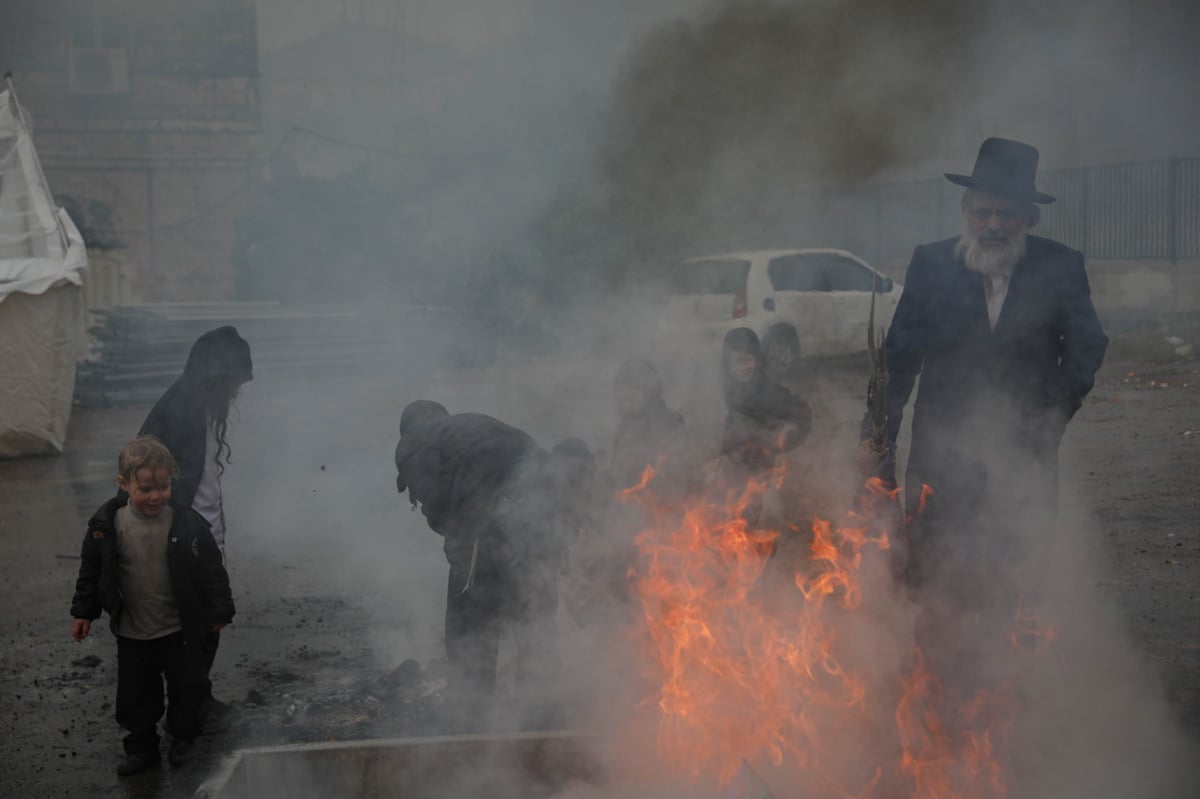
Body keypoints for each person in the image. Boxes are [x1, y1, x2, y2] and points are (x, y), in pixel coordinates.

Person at [858, 138, 1108, 650]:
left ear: (1029, 218)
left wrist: (1048, 417)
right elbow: (899, 356)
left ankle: (1004, 685)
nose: (993, 226)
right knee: (931, 577)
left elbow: (1087, 346)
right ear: (966, 210)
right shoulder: (932, 264)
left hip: (1023, 456)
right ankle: (932, 684)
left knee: (1014, 573)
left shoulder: (1060, 266)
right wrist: (878, 440)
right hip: (939, 454)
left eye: (1007, 215)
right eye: (983, 213)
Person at [394, 401, 588, 728]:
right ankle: (541, 712)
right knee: (534, 617)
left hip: (491, 524)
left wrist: (455, 538)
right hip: (542, 522)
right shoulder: (475, 425)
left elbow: (434, 498)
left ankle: (471, 713)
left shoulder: (415, 440)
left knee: (470, 622)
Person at [70, 437, 234, 775]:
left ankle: (183, 740)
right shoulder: (107, 527)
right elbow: (91, 572)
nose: (156, 495)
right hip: (133, 631)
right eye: (146, 489)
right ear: (123, 484)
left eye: (163, 486)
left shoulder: (186, 523)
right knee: (136, 697)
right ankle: (142, 747)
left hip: (179, 629)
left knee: (186, 689)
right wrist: (83, 612)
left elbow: (211, 569)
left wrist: (219, 610)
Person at [138, 325, 252, 720]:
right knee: (192, 631)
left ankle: (197, 699)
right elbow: (144, 475)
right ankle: (187, 716)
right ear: (219, 376)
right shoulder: (181, 409)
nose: (238, 391)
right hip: (184, 539)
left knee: (206, 628)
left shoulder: (197, 404)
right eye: (236, 381)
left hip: (200, 535)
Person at [719, 327, 813, 475]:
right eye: (737, 362)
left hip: (764, 466)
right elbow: (735, 421)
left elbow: (802, 413)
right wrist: (726, 455)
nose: (743, 367)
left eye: (747, 360)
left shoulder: (768, 390)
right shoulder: (731, 385)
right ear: (728, 365)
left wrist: (786, 438)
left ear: (757, 359)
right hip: (740, 458)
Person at [608, 357, 693, 504]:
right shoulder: (626, 425)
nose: (626, 407)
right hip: (629, 507)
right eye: (622, 401)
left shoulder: (671, 422)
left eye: (631, 400)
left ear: (649, 394)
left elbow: (679, 474)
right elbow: (618, 468)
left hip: (663, 506)